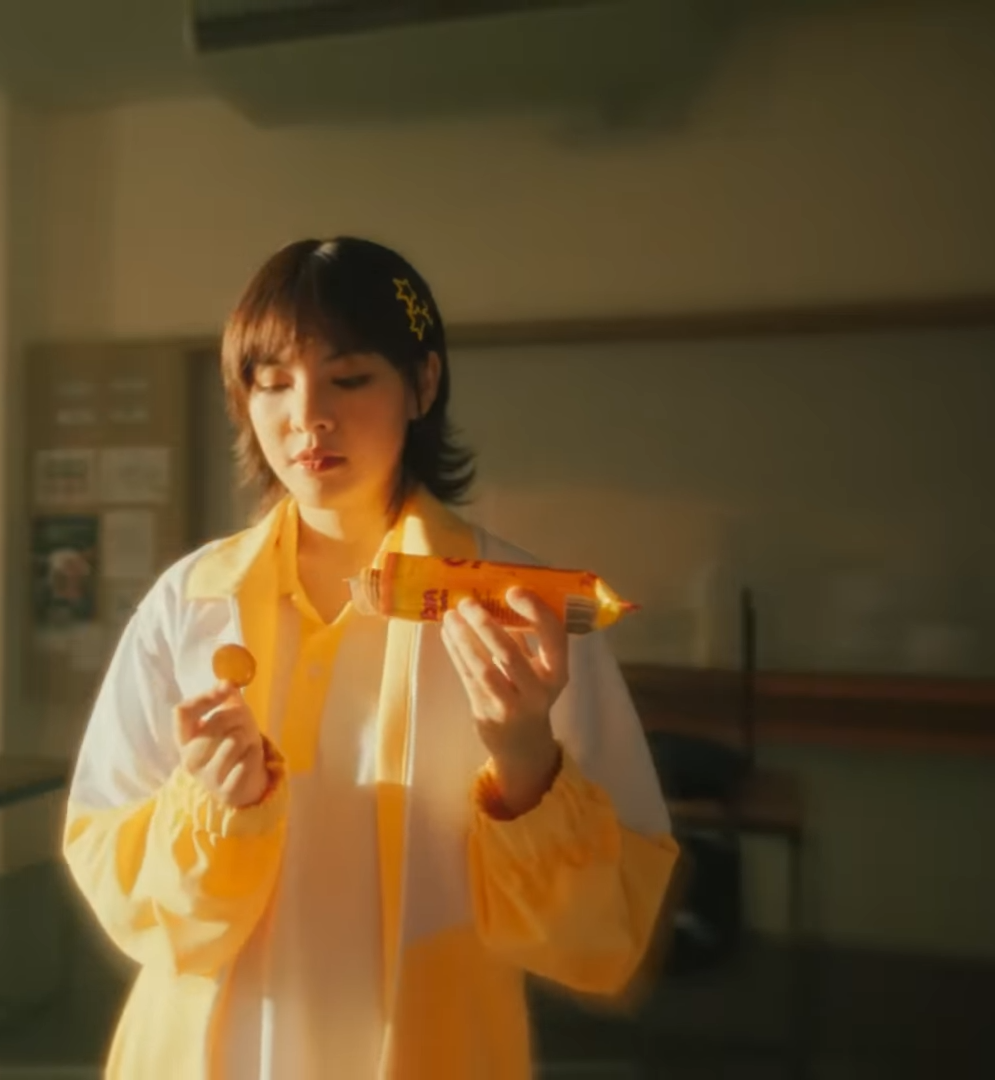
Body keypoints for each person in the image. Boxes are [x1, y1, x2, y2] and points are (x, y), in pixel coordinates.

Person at [63, 237, 678, 1079]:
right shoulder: (189, 602)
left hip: (431, 1046)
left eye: (348, 378)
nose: (307, 415)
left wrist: (528, 764)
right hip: (201, 1046)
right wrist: (207, 806)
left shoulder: (520, 609)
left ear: (422, 383)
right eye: (272, 382)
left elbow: (603, 933)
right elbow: (112, 865)